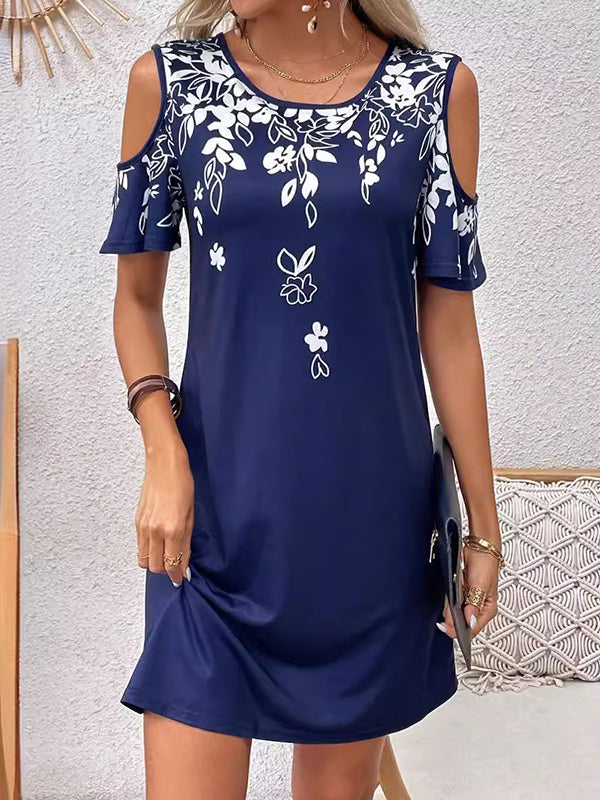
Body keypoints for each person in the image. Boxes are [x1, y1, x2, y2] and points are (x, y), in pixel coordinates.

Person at [99, 1, 503, 798]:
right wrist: (162, 450)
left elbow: (451, 328)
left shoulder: (434, 93)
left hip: (369, 535)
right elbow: (136, 301)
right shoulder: (172, 84)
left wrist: (484, 529)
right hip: (213, 528)